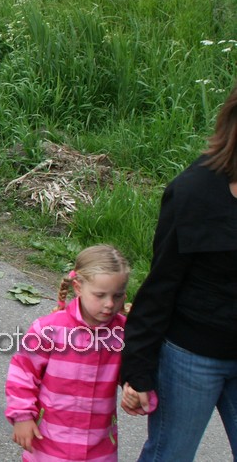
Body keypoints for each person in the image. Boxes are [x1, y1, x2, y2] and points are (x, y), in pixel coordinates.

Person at [120, 83, 237, 461]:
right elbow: (162, 283)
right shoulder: (194, 192)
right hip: (191, 358)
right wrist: (137, 367)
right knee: (169, 454)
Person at [5, 244, 130, 460]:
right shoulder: (49, 330)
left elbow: (136, 372)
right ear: (78, 288)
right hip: (50, 443)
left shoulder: (124, 333)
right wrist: (22, 416)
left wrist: (138, 391)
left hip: (99, 446)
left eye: (117, 296)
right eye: (100, 295)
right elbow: (22, 373)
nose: (109, 304)